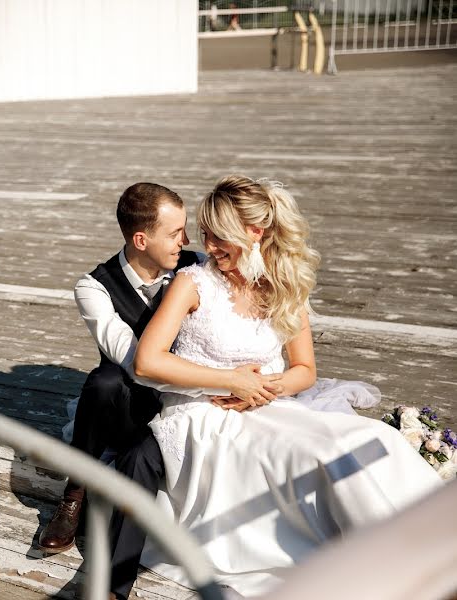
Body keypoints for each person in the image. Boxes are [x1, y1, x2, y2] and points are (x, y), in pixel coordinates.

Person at [106, 175, 443, 599]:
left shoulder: (284, 284)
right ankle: (389, 568)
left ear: (255, 232)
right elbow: (148, 359)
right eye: (206, 235)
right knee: (320, 457)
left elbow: (304, 371)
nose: (207, 246)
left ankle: (431, 549)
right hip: (203, 418)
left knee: (370, 438)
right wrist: (232, 380)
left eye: (217, 236)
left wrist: (265, 385)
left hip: (268, 406)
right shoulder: (194, 283)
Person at [38, 182, 281, 553]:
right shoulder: (95, 288)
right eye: (174, 233)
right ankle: (75, 492)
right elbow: (139, 364)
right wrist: (225, 382)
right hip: (131, 402)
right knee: (104, 381)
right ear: (140, 240)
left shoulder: (198, 265)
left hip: (192, 402)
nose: (185, 240)